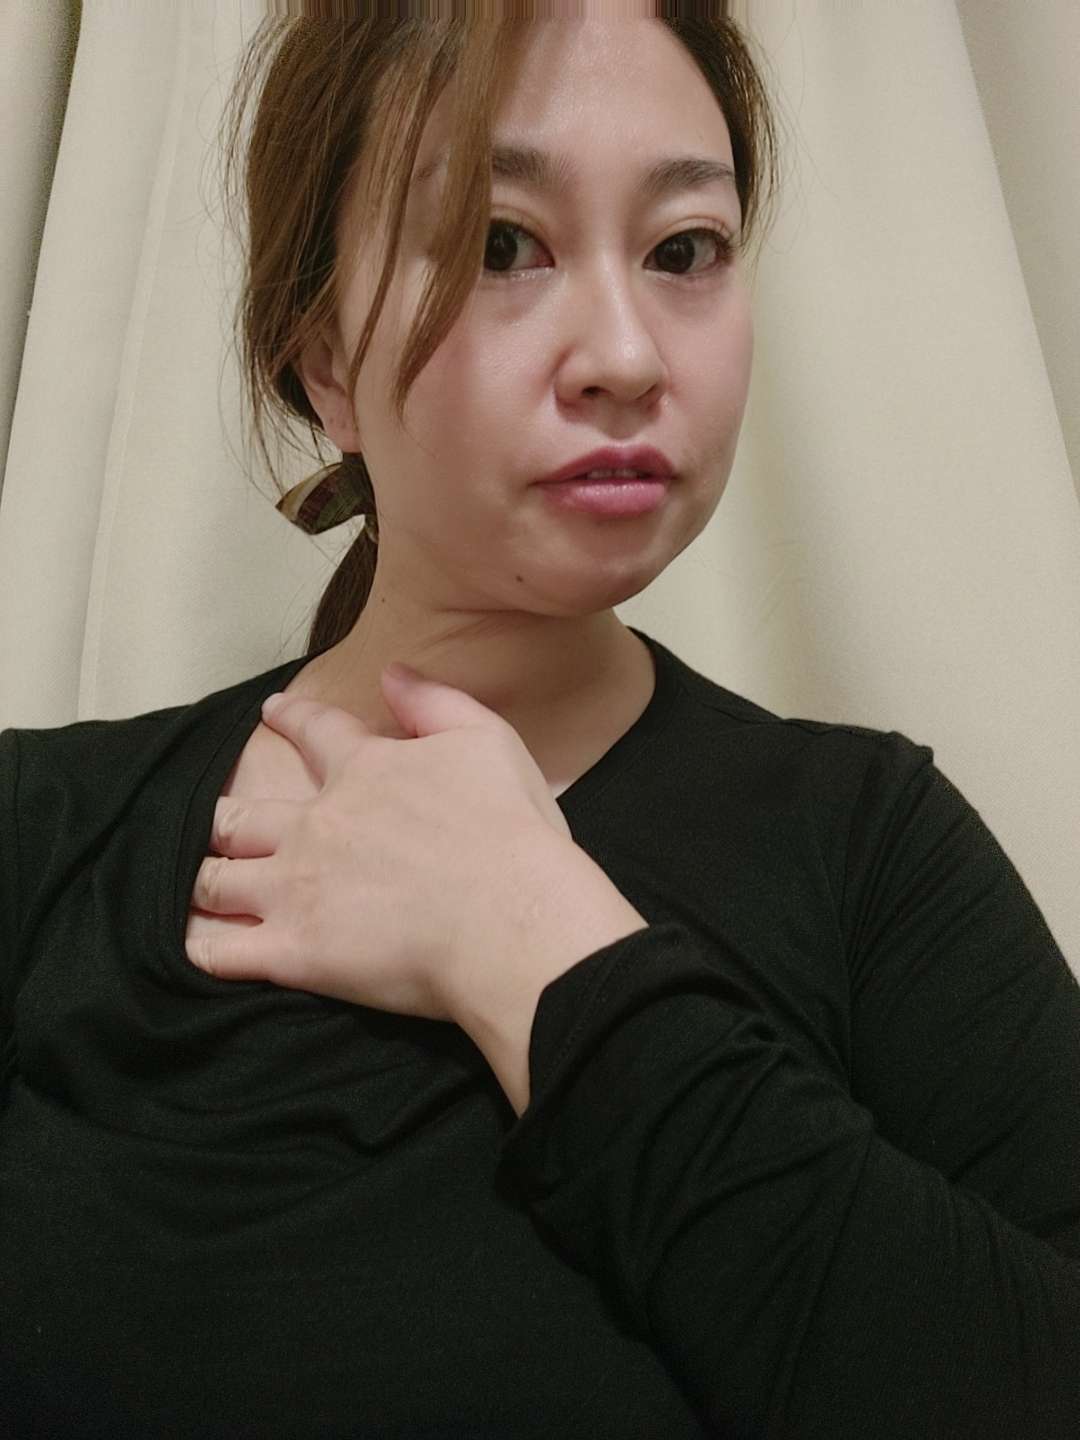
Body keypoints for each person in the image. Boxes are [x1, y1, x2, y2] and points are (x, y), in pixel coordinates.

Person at [2, 8, 1078, 1438]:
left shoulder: (873, 851)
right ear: (324, 357)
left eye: (683, 250)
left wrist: (536, 948)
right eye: (502, 243)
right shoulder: (42, 836)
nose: (625, 355)